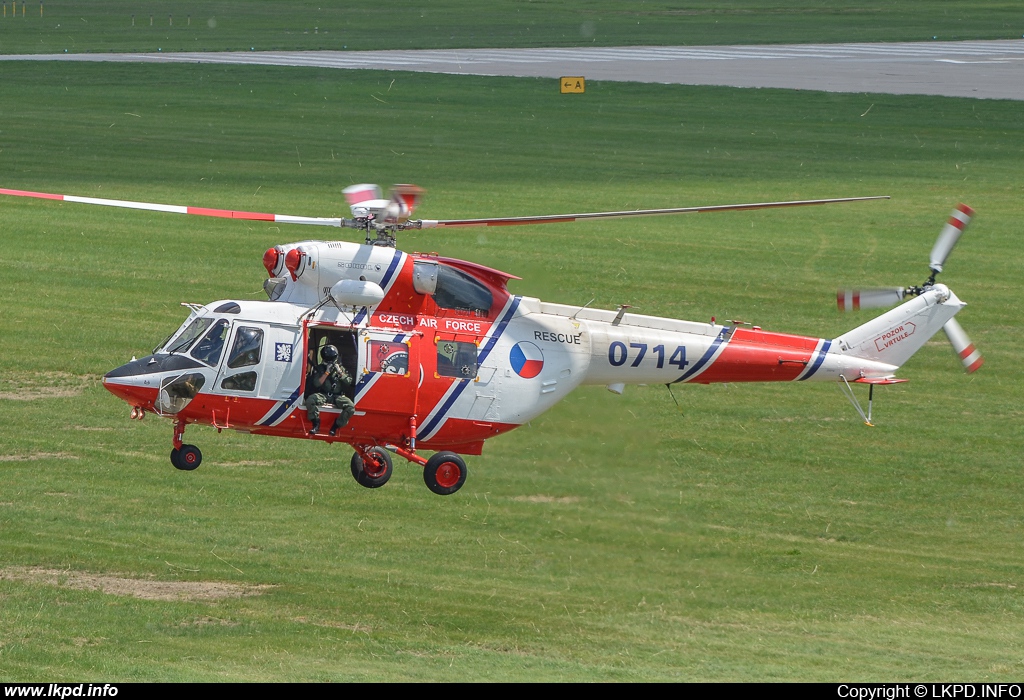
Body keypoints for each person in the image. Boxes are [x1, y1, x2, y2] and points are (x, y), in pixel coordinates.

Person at [304, 344, 355, 436]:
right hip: (323, 394)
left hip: (337, 396)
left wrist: (339, 372)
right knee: (310, 400)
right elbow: (317, 383)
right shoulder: (320, 369)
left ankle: (336, 426)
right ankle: (316, 423)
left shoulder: (341, 369)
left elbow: (348, 382)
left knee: (350, 407)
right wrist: (326, 372)